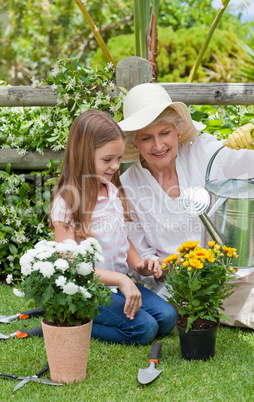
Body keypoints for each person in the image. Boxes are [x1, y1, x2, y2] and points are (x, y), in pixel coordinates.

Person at [118, 83, 254, 329]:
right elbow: (140, 258)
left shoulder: (202, 151)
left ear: (178, 130)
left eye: (165, 133)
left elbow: (247, 165)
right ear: (134, 142)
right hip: (180, 286)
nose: (158, 146)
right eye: (147, 138)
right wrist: (151, 266)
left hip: (226, 274)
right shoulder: (128, 187)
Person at [50, 109, 177, 345]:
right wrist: (121, 280)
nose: (116, 166)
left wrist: (140, 264)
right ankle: (71, 320)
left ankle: (112, 309)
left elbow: (121, 237)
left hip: (117, 287)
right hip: (87, 291)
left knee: (168, 317)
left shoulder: (111, 190)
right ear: (83, 156)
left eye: (118, 159)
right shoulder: (67, 202)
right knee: (144, 329)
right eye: (107, 160)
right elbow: (69, 265)